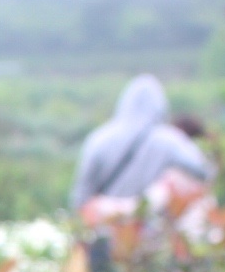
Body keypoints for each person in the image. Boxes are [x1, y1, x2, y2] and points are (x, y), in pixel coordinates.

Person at [70, 75, 213, 209]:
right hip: (149, 226)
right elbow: (204, 170)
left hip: (106, 226)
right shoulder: (169, 140)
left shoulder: (98, 139)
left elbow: (81, 194)